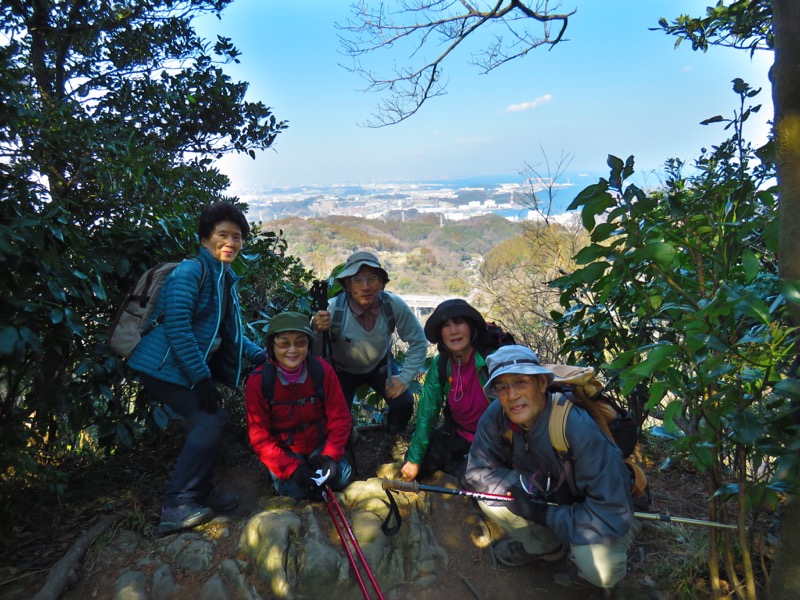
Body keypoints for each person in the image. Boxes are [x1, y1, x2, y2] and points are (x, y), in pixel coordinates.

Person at [128, 202, 267, 535]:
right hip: (162, 366)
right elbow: (178, 326)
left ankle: (200, 491)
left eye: (237, 236)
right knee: (209, 420)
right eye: (222, 235)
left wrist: (260, 355)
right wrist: (202, 378)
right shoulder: (191, 272)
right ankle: (177, 504)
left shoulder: (223, 278)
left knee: (210, 420)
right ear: (206, 239)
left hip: (180, 368)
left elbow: (229, 334)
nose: (230, 242)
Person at [465, 345, 636, 597]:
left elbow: (610, 512)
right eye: (502, 387)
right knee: (491, 499)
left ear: (542, 383)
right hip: (551, 497)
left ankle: (607, 581)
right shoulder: (497, 416)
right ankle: (547, 547)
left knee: (600, 569)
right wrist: (523, 486)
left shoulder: (576, 426)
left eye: (521, 382)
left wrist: (546, 515)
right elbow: (476, 471)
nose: (512, 395)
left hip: (602, 508)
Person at [311, 251, 427, 433]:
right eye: (357, 280)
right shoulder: (332, 310)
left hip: (379, 365)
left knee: (403, 402)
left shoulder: (392, 305)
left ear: (381, 283)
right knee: (333, 417)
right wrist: (315, 329)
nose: (365, 287)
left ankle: (394, 438)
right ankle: (346, 440)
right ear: (347, 285)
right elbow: (315, 352)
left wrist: (404, 379)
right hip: (341, 370)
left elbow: (419, 342)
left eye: (372, 278)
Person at [245, 312, 352, 499]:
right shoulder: (259, 382)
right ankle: (285, 474)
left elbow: (340, 418)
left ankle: (321, 465)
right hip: (285, 450)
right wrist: (293, 469)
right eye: (284, 343)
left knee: (340, 479)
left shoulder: (321, 371)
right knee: (295, 490)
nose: (292, 350)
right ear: (272, 347)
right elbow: (260, 439)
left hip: (320, 444)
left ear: (308, 345)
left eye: (300, 342)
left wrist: (330, 456)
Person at [401, 299, 493, 483]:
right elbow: (428, 411)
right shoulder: (442, 364)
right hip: (459, 433)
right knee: (418, 464)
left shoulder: (491, 360)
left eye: (459, 323)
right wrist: (414, 459)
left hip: (494, 439)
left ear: (471, 327)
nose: (453, 331)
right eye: (446, 326)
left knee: (469, 480)